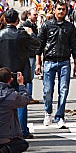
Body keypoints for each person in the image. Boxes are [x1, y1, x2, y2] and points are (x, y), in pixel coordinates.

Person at [35, 1, 76, 128]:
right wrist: (38, 64)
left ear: (66, 11)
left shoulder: (70, 27)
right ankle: (48, 113)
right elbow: (39, 45)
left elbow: (74, 46)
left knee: (63, 90)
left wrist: (75, 65)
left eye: (64, 9)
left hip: (65, 62)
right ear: (54, 10)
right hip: (49, 61)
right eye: (59, 9)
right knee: (47, 90)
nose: (61, 11)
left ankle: (59, 116)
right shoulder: (46, 26)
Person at [0, 9, 40, 139]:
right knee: (21, 101)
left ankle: (7, 131)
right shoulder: (21, 34)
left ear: (5, 20)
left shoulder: (0, 35)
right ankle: (22, 130)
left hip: (3, 74)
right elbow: (37, 45)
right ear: (17, 21)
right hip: (19, 73)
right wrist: (31, 34)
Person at [0, 68, 30, 153]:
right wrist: (21, 85)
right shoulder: (11, 96)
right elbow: (25, 99)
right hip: (5, 137)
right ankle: (4, 150)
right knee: (23, 144)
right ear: (11, 79)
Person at [20, 8, 40, 104]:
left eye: (36, 15)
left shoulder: (33, 25)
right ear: (29, 15)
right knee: (28, 77)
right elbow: (34, 41)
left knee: (30, 77)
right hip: (28, 55)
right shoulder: (26, 26)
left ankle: (29, 95)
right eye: (34, 15)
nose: (36, 17)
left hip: (32, 54)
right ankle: (27, 96)